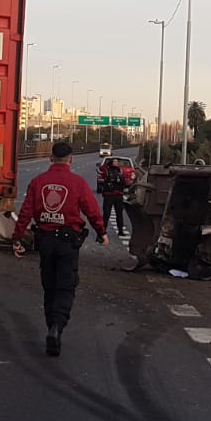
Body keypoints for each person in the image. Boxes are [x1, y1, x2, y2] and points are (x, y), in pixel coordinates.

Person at [14, 142, 108, 356]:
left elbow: (26, 212)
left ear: (50, 158)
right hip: (68, 243)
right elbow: (91, 210)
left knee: (49, 286)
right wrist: (101, 233)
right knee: (65, 287)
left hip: (45, 242)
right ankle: (57, 327)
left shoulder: (38, 182)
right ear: (71, 159)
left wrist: (17, 238)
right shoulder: (77, 183)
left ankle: (51, 328)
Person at [96, 157, 128, 236]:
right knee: (106, 214)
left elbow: (124, 182)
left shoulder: (120, 171)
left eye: (117, 162)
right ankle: (103, 231)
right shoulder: (107, 170)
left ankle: (120, 230)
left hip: (118, 195)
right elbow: (101, 169)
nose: (117, 163)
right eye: (115, 162)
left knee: (119, 214)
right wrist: (107, 162)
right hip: (109, 195)